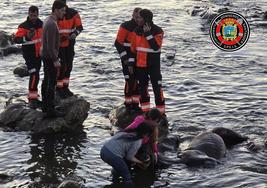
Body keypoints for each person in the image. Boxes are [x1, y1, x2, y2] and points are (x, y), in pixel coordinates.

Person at [130, 9, 165, 115]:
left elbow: (156, 47)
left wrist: (148, 34)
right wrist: (131, 64)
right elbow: (133, 50)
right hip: (140, 66)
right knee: (143, 90)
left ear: (146, 19)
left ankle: (161, 113)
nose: (137, 19)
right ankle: (145, 113)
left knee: (157, 88)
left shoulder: (158, 31)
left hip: (153, 66)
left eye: (140, 17)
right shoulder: (136, 31)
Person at [14, 6, 43, 109]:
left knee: (37, 75)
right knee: (34, 74)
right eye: (31, 15)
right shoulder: (23, 26)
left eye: (35, 15)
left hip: (39, 54)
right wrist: (27, 37)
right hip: (29, 55)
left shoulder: (41, 24)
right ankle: (31, 99)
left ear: (38, 14)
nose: (33, 17)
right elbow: (16, 39)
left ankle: (34, 97)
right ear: (28, 14)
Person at [41, 0, 66, 117]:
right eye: (62, 11)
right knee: (51, 82)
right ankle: (50, 109)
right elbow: (50, 45)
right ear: (55, 10)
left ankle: (45, 106)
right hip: (50, 57)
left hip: (45, 55)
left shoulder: (47, 20)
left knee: (46, 80)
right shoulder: (51, 24)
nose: (63, 13)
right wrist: (55, 60)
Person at [114, 8, 141, 112]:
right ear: (133, 15)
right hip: (126, 57)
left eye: (140, 17)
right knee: (129, 80)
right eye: (136, 16)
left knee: (137, 81)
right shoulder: (125, 26)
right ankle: (128, 104)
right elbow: (117, 43)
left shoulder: (143, 27)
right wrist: (125, 58)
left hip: (138, 58)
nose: (138, 19)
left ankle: (135, 104)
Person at [56, 0, 83, 98]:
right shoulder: (56, 14)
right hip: (58, 45)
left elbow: (80, 27)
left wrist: (74, 34)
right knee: (61, 66)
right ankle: (59, 88)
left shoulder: (73, 13)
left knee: (69, 65)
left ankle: (65, 87)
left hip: (70, 43)